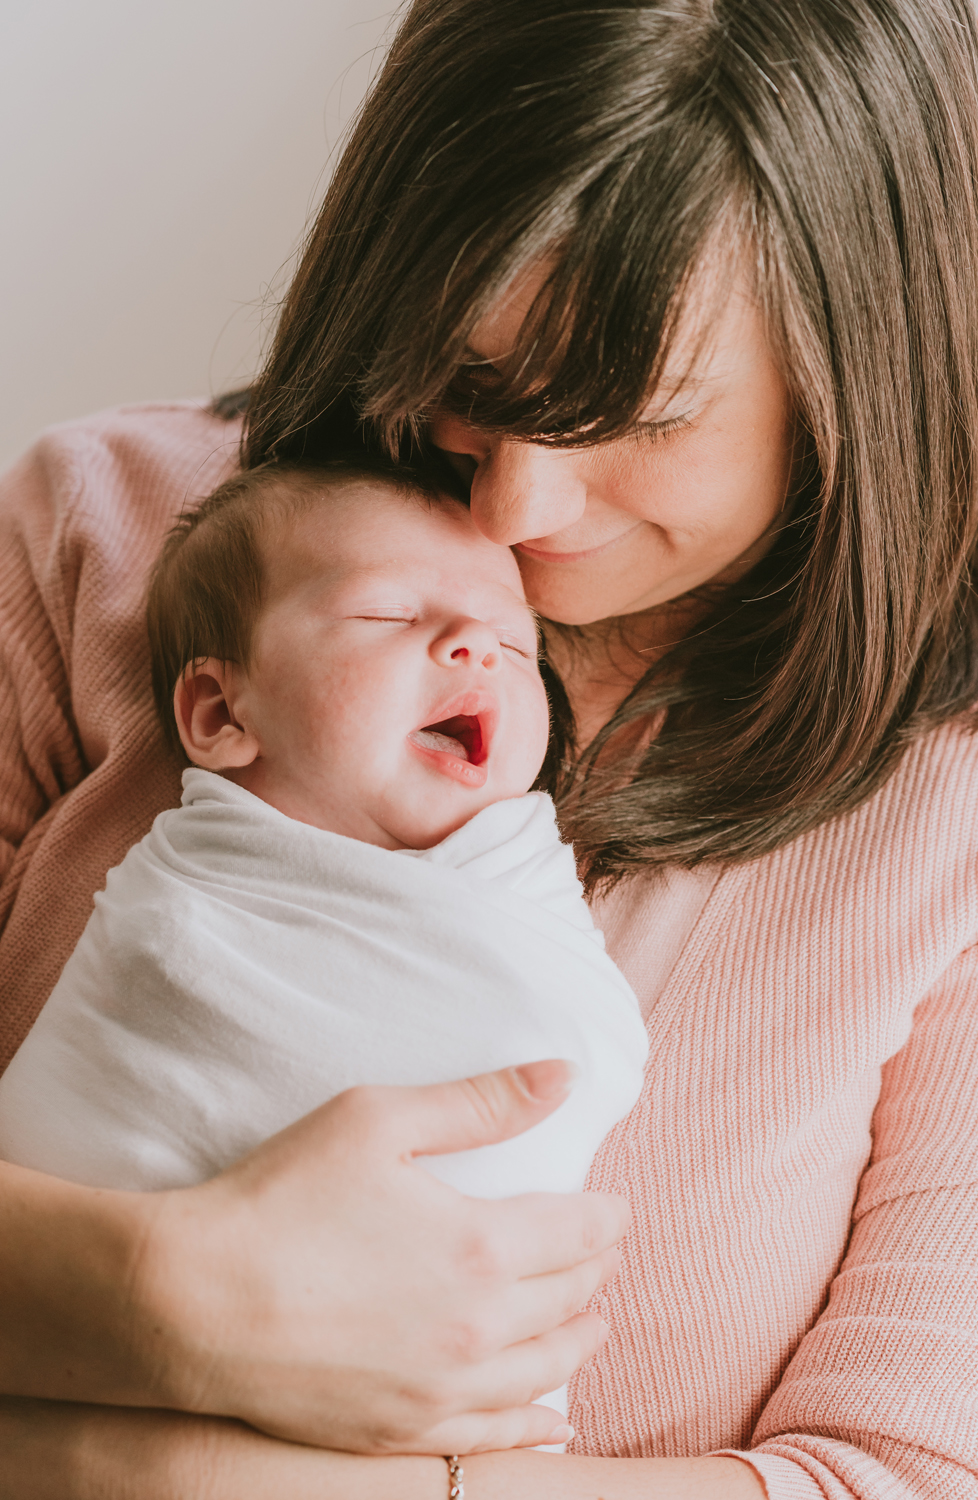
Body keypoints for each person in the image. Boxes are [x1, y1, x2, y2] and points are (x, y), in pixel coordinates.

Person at [2, 0, 978, 1496]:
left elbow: (912, 1474)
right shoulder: (99, 536)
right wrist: (171, 1300)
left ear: (858, 362)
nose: (518, 514)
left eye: (637, 416)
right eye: (469, 384)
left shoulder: (965, 808)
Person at [0, 460, 646, 1454]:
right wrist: (153, 1289)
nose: (476, 644)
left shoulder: (515, 878)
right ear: (222, 714)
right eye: (388, 618)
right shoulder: (192, 911)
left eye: (517, 646)